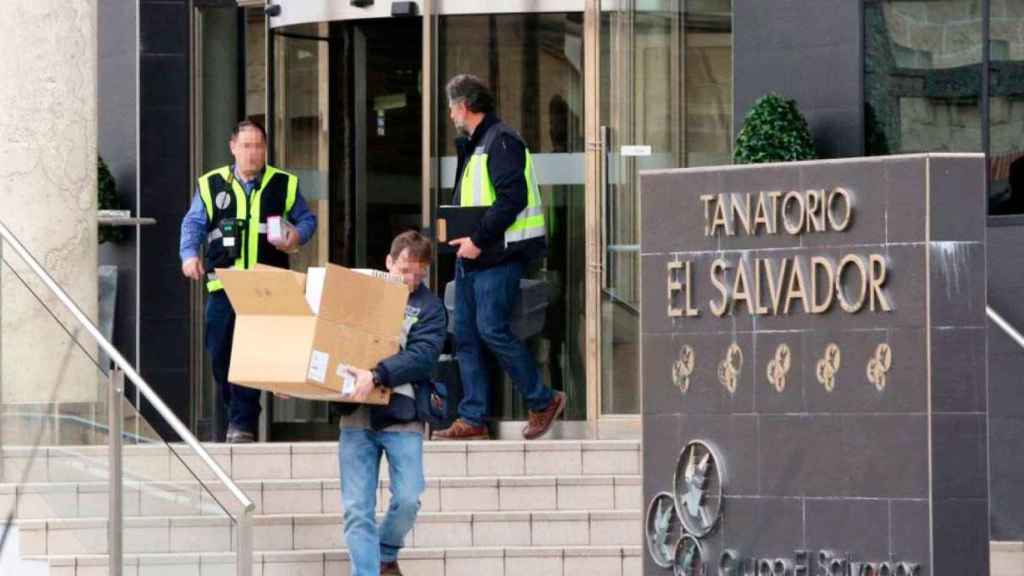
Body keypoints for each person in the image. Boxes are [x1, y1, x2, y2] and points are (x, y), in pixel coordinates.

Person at [432, 74, 566, 441]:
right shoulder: (477, 144)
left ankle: (542, 400)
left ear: (464, 106)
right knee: (465, 338)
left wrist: (477, 239)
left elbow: (512, 199)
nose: (449, 115)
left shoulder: (501, 141)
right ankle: (472, 418)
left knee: (491, 329)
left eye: (450, 107)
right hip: (473, 257)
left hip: (496, 257)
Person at [179, 119, 317, 443]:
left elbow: (306, 220)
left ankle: (242, 425)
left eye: (258, 146)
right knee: (221, 355)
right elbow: (194, 224)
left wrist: (296, 234)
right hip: (223, 284)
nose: (252, 153)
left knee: (251, 353)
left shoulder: (283, 183)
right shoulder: (212, 184)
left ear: (265, 149)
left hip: (264, 287)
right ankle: (233, 422)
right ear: (233, 148)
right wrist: (188, 255)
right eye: (246, 146)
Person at [337, 231, 446, 576]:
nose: (410, 278)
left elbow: (423, 356)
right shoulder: (361, 295)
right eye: (403, 269)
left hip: (404, 415)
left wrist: (378, 374)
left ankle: (386, 549)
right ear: (388, 262)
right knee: (357, 509)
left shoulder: (430, 307)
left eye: (419, 272)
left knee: (409, 498)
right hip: (356, 414)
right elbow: (329, 335)